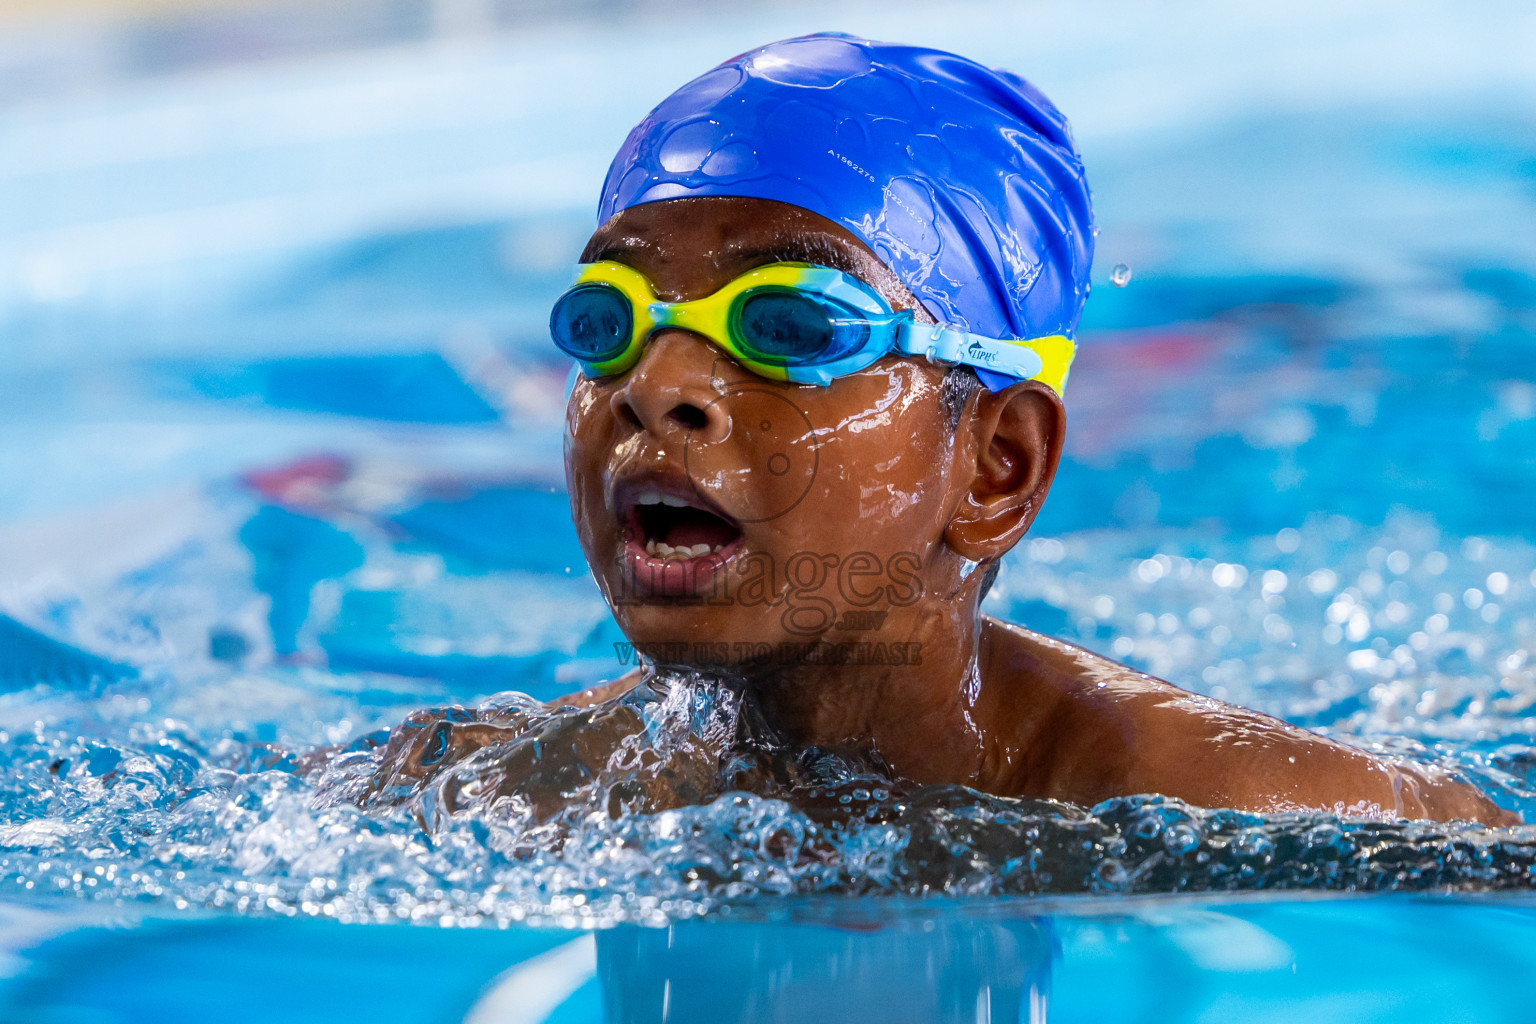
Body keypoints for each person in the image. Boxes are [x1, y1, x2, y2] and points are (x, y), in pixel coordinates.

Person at [379, 34, 1514, 825]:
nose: (656, 382)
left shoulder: (1210, 798)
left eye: (792, 321)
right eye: (609, 319)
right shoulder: (482, 783)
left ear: (997, 466)